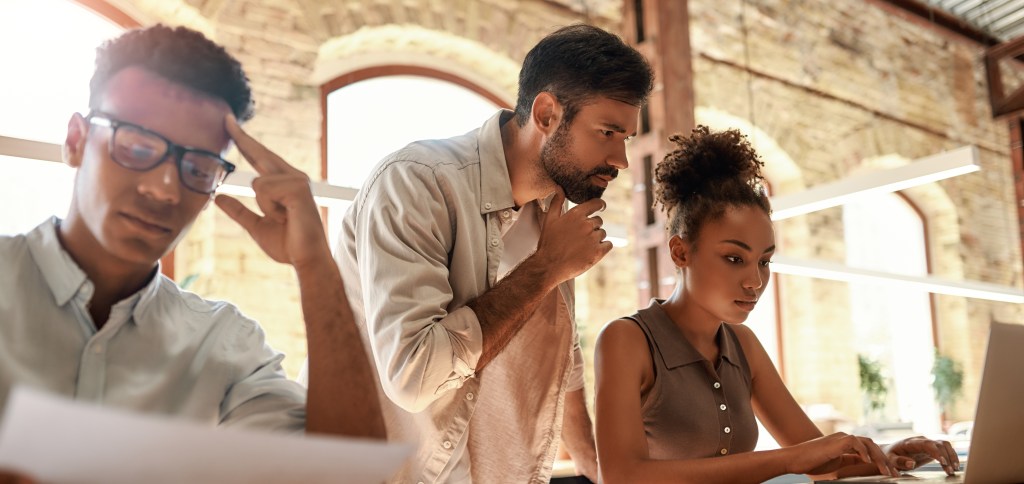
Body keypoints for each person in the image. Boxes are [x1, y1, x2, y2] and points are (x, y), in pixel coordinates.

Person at [0, 24, 385, 482]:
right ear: (76, 141)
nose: (165, 188)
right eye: (138, 146)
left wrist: (315, 265)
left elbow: (348, 475)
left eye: (199, 167)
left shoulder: (224, 344)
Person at [336, 23, 654, 483]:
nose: (621, 159)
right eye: (608, 132)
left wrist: (600, 475)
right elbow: (413, 377)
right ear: (546, 114)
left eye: (625, 138)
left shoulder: (553, 211)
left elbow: (564, 371)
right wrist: (546, 268)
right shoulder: (416, 183)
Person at [593, 126, 960, 483]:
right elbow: (622, 475)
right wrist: (790, 461)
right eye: (734, 258)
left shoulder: (744, 345)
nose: (755, 281)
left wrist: (890, 453)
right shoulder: (627, 340)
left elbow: (819, 461)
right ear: (681, 251)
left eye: (764, 261)